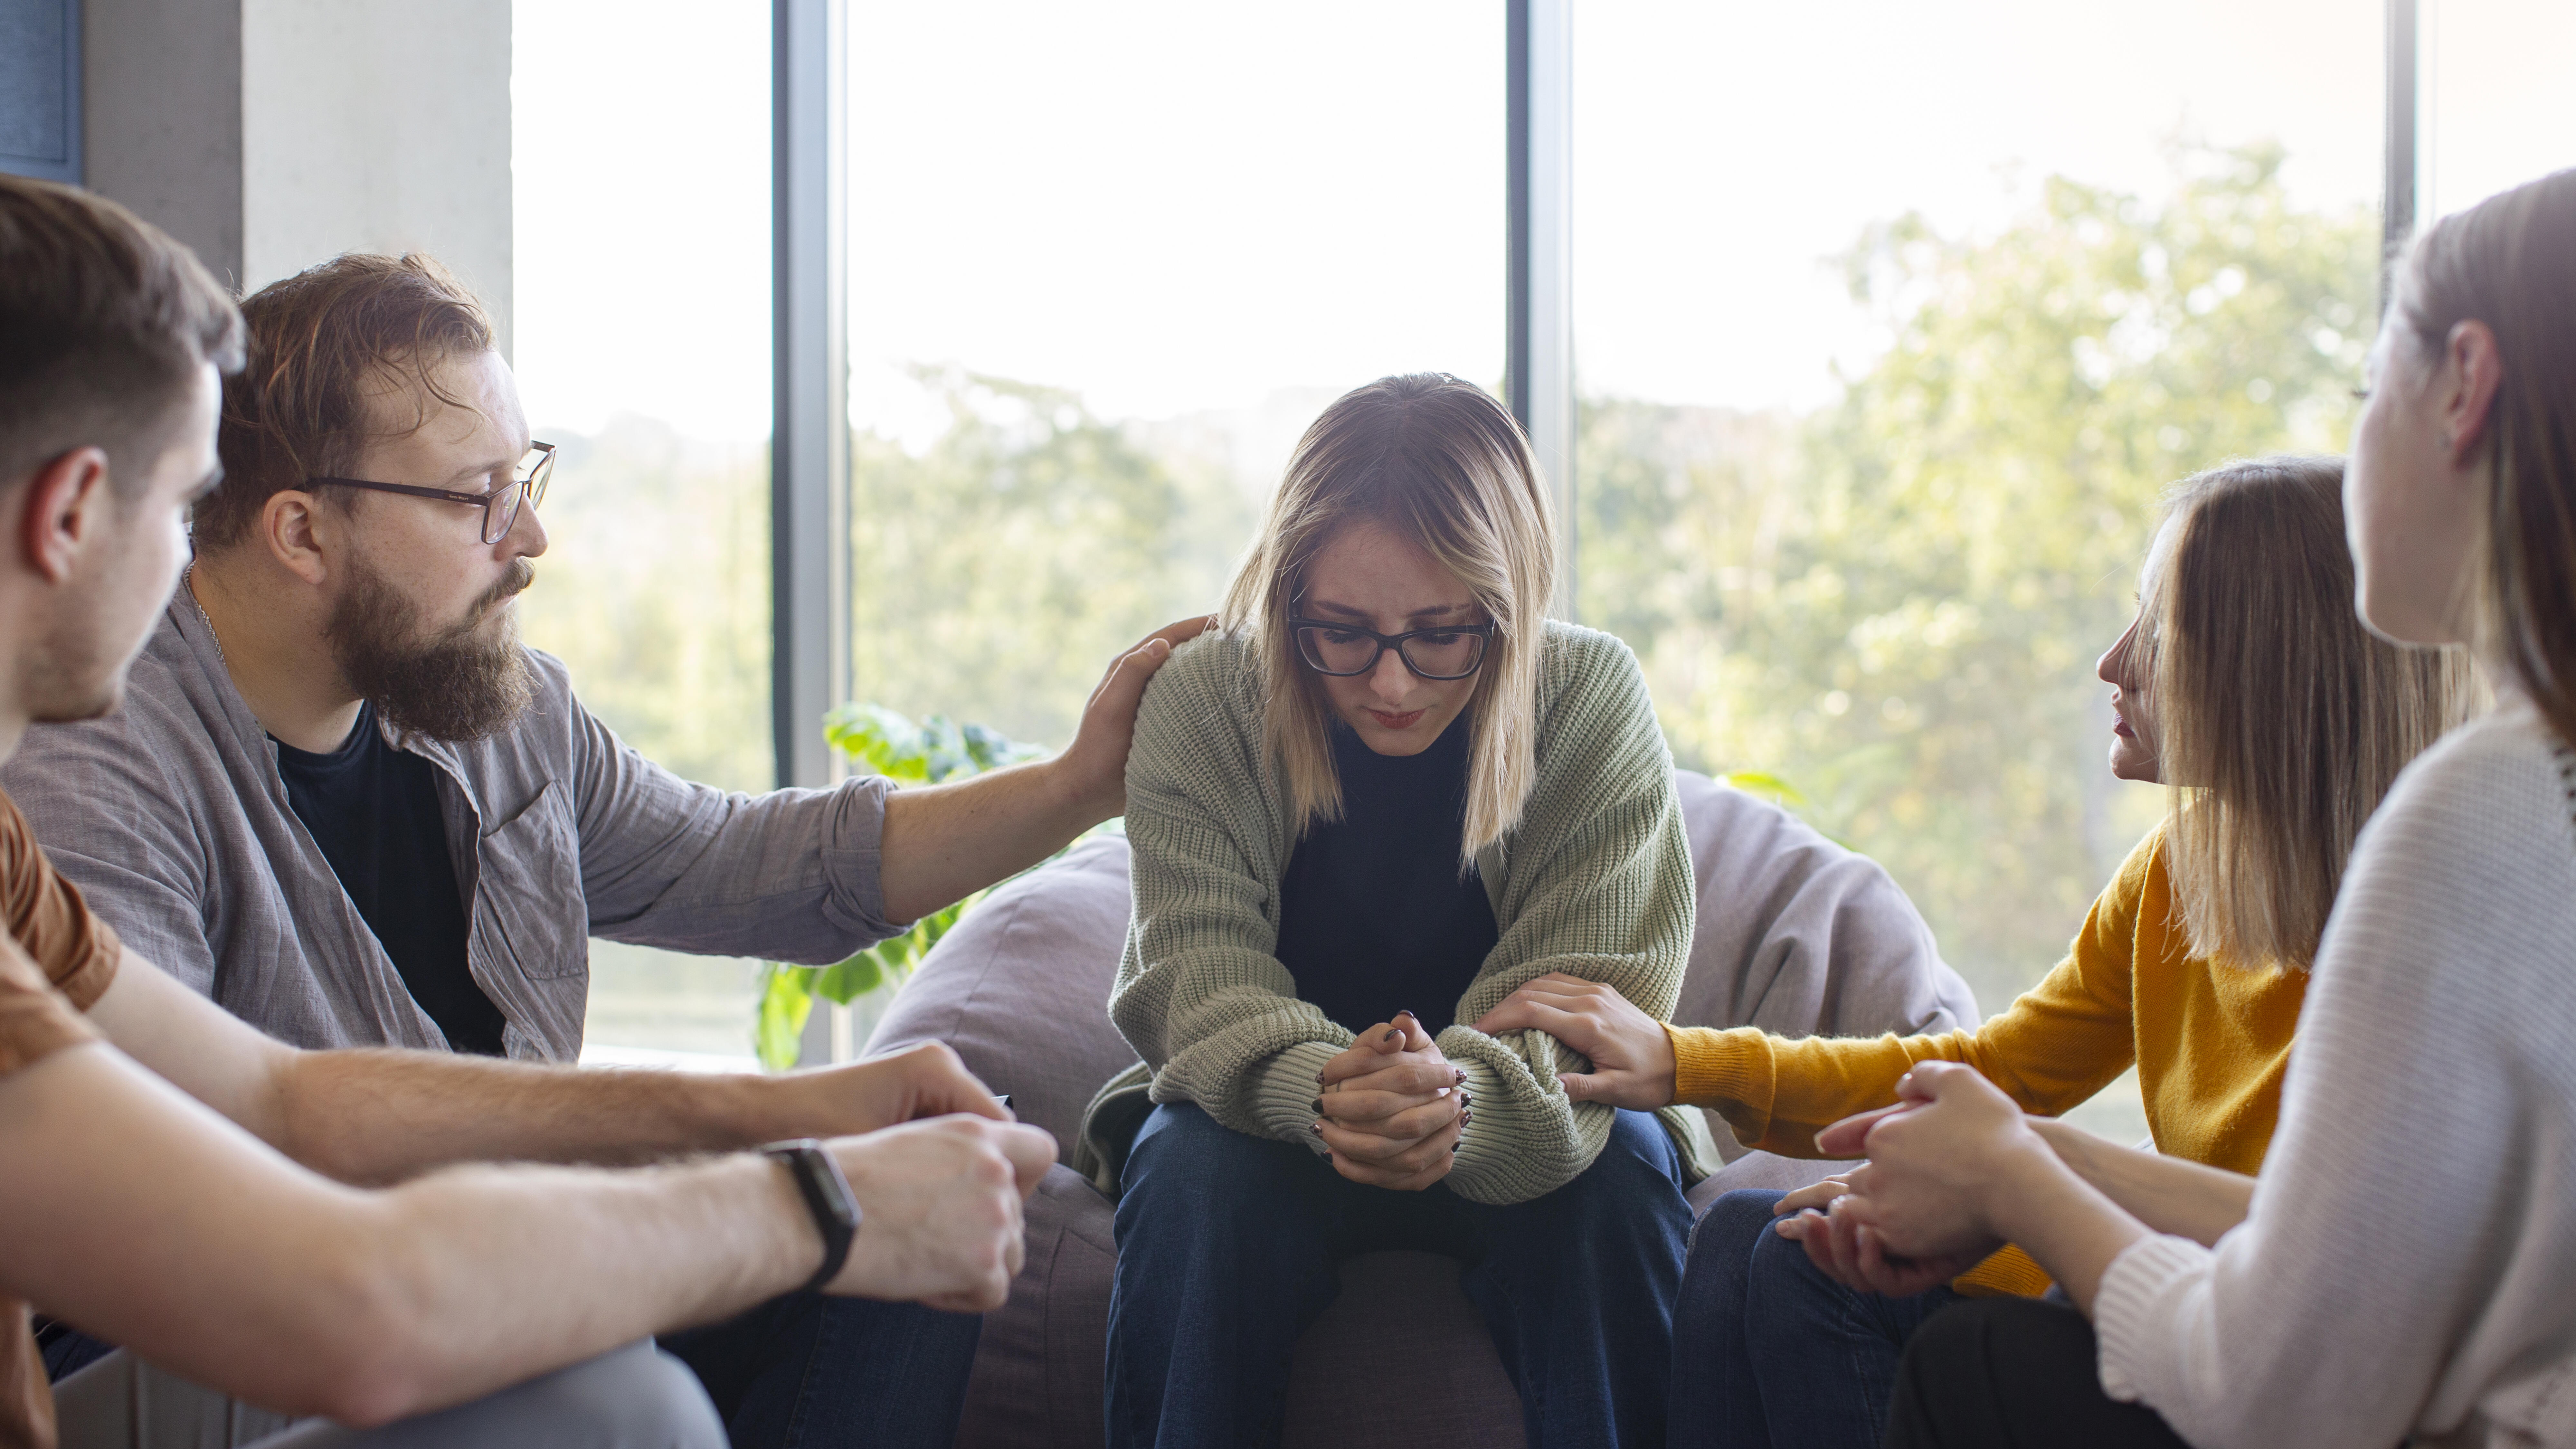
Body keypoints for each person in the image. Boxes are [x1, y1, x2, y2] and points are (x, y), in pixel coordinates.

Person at [0, 247, 1203, 1445]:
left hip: (398, 1255)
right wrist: (798, 1200)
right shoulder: (91, 766)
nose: (529, 537)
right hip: (214, 1297)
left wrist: (1074, 786)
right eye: (476, 496)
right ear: (301, 535)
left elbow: (293, 1091)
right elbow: (249, 1197)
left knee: (888, 1193)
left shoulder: (479, 701)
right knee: (623, 1389)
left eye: (523, 476)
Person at [1799, 166, 2576, 1448]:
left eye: (2363, 390)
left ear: (2460, 386)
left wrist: (2013, 1176)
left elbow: (2275, 1396)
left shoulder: (2487, 811)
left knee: (1974, 1367)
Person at [1477, 453, 2474, 1448]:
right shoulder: (2177, 873)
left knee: (1820, 1274)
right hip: (2163, 1283)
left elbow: (2347, 1253)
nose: (2114, 662)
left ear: (2275, 673)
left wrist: (2016, 1180)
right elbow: (1995, 1072)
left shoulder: (2432, 926)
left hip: (2267, 1347)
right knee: (1763, 1235)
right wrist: (1687, 1061)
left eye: (2161, 634)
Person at [1073, 374, 1707, 1449]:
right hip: (1262, 1121)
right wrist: (1329, 1088)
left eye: (1442, 633)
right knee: (1190, 1172)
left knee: (1625, 1172)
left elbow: (1596, 1004)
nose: (1393, 682)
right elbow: (1194, 974)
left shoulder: (1591, 695)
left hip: (1522, 1117)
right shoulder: (1207, 699)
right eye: (1342, 630)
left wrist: (1452, 1102)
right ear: (1286, 598)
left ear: (1510, 607)